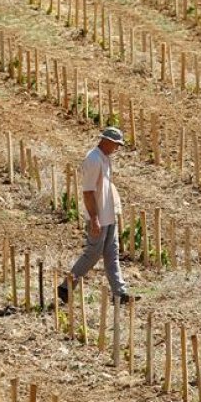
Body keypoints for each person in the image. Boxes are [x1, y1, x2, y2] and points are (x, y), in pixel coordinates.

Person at [58, 127, 139, 305]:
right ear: (106, 141)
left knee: (112, 254)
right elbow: (88, 192)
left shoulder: (104, 158)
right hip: (99, 216)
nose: (117, 148)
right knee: (92, 254)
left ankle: (120, 292)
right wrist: (94, 219)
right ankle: (66, 287)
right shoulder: (93, 160)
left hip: (109, 214)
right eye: (115, 144)